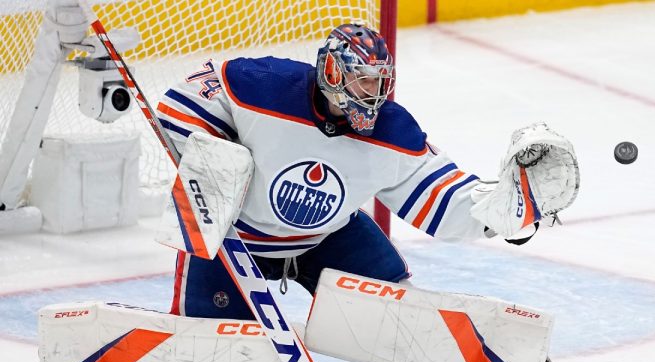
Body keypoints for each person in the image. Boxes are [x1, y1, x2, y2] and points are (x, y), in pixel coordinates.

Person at [157, 23, 578, 320]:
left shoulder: (392, 131)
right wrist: (219, 157)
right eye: (364, 82)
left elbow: (444, 204)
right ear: (333, 72)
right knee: (210, 340)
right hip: (232, 241)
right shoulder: (261, 84)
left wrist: (514, 210)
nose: (375, 95)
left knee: (399, 313)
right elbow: (177, 105)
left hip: (327, 238)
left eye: (380, 83)